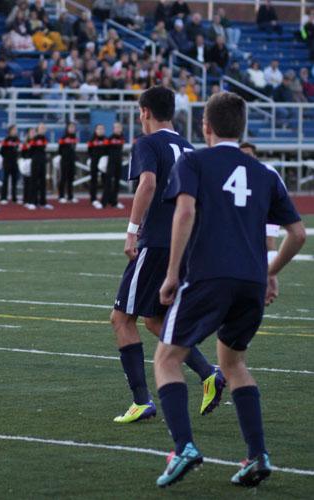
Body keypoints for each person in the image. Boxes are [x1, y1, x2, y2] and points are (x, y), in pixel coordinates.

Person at [154, 91, 306, 487]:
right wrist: (271, 271)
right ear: (242, 130)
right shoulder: (265, 172)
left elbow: (185, 212)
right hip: (251, 282)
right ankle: (257, 455)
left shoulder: (194, 160)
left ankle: (184, 446)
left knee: (167, 358)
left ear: (205, 127)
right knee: (235, 363)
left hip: (208, 275)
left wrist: (171, 274)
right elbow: (298, 233)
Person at [111, 86, 223, 423]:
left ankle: (142, 400)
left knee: (121, 318)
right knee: (156, 320)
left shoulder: (148, 143)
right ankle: (208, 373)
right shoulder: (189, 147)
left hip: (157, 241)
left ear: (144, 111)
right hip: (182, 244)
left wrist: (132, 231)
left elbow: (147, 183)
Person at [102, 122, 125, 209]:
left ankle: (114, 202)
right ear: (113, 129)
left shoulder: (122, 138)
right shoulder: (109, 139)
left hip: (118, 163)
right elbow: (105, 150)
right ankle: (104, 202)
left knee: (116, 183)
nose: (118, 129)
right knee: (108, 182)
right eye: (116, 127)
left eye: (119, 127)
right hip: (110, 163)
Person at [87, 124, 109, 209]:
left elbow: (108, 150)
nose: (101, 130)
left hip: (103, 163)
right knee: (94, 181)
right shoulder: (92, 139)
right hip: (94, 161)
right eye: (99, 129)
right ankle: (93, 199)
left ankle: (106, 199)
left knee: (105, 180)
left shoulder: (106, 139)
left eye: (102, 129)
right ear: (95, 130)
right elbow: (89, 150)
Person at [28, 123, 50, 209]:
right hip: (35, 161)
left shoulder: (45, 139)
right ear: (38, 129)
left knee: (43, 183)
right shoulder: (35, 139)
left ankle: (43, 202)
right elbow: (30, 151)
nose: (43, 129)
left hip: (42, 162)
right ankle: (32, 202)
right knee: (34, 182)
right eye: (41, 128)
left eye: (44, 128)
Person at [57, 122, 78, 203]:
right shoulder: (63, 138)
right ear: (67, 128)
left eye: (73, 127)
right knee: (63, 178)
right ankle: (61, 196)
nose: (72, 129)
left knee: (71, 178)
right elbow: (59, 150)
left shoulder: (75, 137)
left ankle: (70, 196)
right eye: (70, 127)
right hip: (64, 160)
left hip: (72, 160)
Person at [0, 125, 21, 205]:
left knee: (15, 181)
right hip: (7, 162)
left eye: (16, 130)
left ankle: (14, 198)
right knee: (5, 180)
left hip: (15, 163)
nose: (15, 131)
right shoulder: (6, 140)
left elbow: (19, 150)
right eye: (14, 130)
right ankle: (3, 197)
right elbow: (2, 151)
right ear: (10, 131)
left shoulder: (17, 140)